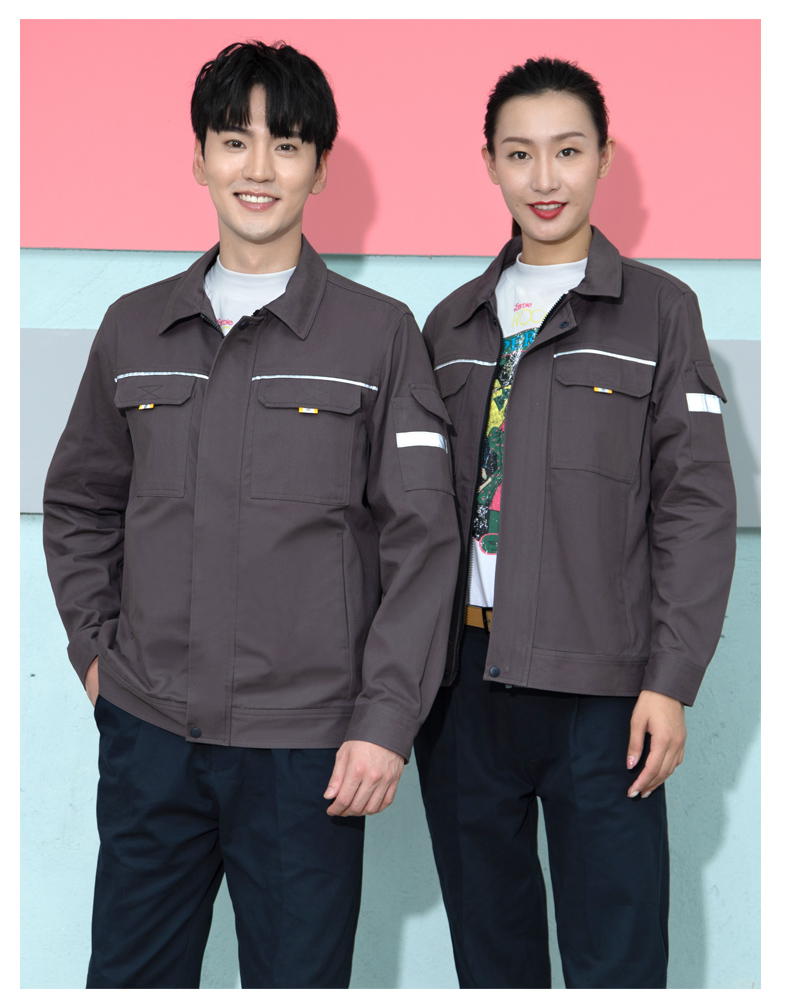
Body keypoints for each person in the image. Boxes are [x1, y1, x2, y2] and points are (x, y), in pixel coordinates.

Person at [42, 40, 458, 989]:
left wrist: (386, 718)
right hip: (151, 739)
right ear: (199, 158)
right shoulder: (133, 327)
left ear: (321, 167)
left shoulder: (380, 334)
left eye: (286, 144)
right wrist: (97, 656)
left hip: (308, 754)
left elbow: (423, 541)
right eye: (235, 140)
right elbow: (80, 503)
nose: (258, 167)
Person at [414, 56, 736, 989]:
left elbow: (697, 509)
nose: (544, 177)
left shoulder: (662, 311)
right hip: (463, 688)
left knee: (617, 957)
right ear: (490, 163)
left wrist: (670, 682)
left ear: (604, 158)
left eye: (567, 151)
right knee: (491, 957)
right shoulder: (450, 325)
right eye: (520, 154)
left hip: (604, 693)